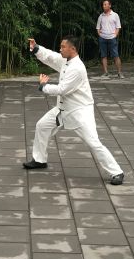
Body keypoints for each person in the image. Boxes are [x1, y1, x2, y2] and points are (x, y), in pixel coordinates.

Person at [22, 36, 126, 185]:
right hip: (62, 109)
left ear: (73, 49)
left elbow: (62, 89)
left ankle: (117, 172)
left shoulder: (77, 68)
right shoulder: (65, 61)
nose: (60, 49)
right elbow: (51, 57)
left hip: (79, 111)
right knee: (42, 126)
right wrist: (37, 48)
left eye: (63, 47)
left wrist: (44, 86)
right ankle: (39, 160)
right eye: (61, 46)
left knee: (93, 142)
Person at [96, 0, 123, 78]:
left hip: (112, 38)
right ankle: (105, 72)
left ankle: (119, 73)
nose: (104, 6)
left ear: (110, 5)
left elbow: (118, 27)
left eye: (105, 4)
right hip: (103, 38)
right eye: (103, 5)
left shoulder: (115, 15)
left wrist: (115, 35)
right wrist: (100, 35)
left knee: (116, 55)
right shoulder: (101, 16)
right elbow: (98, 27)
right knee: (103, 55)